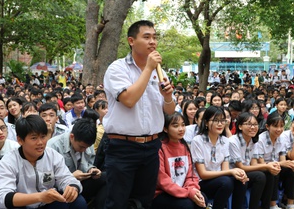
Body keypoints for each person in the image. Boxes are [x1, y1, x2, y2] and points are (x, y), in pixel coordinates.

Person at [102, 20, 175, 209]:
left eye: (155, 37)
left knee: (143, 202)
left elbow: (170, 111)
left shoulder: (160, 72)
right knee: (117, 202)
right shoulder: (117, 68)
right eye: (147, 37)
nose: (153, 42)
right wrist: (149, 68)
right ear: (131, 41)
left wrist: (168, 97)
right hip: (122, 147)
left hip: (151, 146)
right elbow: (128, 100)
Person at [0, 115, 87, 209]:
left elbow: (66, 177)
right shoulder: (8, 161)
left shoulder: (52, 155)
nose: (40, 143)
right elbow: (3, 197)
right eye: (34, 138)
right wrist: (40, 197)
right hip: (23, 206)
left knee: (78, 201)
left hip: (47, 204)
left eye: (43, 136)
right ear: (20, 140)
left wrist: (72, 187)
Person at [191, 106, 248, 209]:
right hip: (202, 183)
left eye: (222, 120)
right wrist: (231, 171)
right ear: (206, 122)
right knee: (226, 182)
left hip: (219, 180)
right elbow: (203, 174)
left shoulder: (225, 141)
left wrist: (237, 173)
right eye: (216, 120)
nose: (220, 124)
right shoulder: (197, 140)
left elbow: (225, 170)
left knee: (241, 179)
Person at [47, 118, 107, 208]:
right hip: (61, 187)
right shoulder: (53, 146)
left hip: (81, 183)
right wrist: (71, 176)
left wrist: (91, 169)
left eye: (87, 147)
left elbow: (89, 162)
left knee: (107, 177)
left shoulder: (86, 144)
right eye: (81, 147)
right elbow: (48, 179)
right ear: (72, 137)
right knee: (79, 202)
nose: (84, 150)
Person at [152, 112, 206, 209]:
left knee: (202, 199)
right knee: (186, 205)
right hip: (162, 193)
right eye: (175, 126)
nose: (181, 129)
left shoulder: (184, 147)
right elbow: (163, 181)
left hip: (183, 189)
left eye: (183, 124)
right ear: (165, 129)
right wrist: (188, 193)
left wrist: (192, 189)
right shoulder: (160, 148)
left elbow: (191, 175)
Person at [257, 112, 294, 209]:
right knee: (273, 170)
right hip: (263, 168)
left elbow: (283, 160)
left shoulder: (282, 138)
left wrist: (289, 163)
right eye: (275, 126)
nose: (279, 129)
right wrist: (280, 164)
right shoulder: (260, 140)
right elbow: (261, 163)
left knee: (291, 169)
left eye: (281, 126)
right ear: (267, 126)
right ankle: (273, 205)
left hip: (276, 165)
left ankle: (290, 204)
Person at [229, 112, 267, 209]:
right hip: (232, 174)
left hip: (245, 172)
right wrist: (266, 165)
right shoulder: (233, 141)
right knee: (259, 175)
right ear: (240, 126)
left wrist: (268, 167)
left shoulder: (253, 141)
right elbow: (240, 166)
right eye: (249, 124)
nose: (253, 127)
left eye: (255, 124)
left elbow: (253, 164)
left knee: (267, 174)